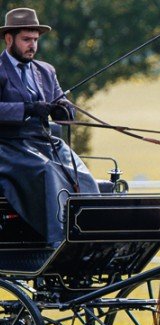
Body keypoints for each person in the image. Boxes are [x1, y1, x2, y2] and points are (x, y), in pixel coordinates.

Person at [0, 7, 98, 246]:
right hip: (9, 145)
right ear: (9, 38)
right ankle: (59, 241)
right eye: (26, 40)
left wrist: (63, 109)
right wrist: (28, 108)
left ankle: (94, 235)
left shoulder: (45, 70)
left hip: (45, 142)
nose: (32, 45)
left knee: (83, 175)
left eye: (35, 40)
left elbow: (60, 104)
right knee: (48, 171)